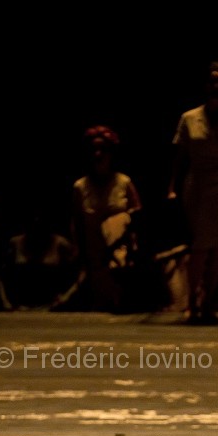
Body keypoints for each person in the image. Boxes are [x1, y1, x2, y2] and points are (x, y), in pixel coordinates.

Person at [168, 62, 218, 324]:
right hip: (198, 184)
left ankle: (210, 302)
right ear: (205, 86)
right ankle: (192, 300)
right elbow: (179, 157)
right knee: (200, 245)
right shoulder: (189, 118)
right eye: (212, 82)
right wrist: (172, 187)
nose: (216, 87)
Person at [71, 125, 142, 312]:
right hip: (95, 260)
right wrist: (78, 252)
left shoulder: (124, 183)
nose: (98, 154)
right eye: (94, 149)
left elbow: (138, 217)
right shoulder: (80, 187)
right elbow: (77, 222)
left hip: (122, 259)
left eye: (103, 149)